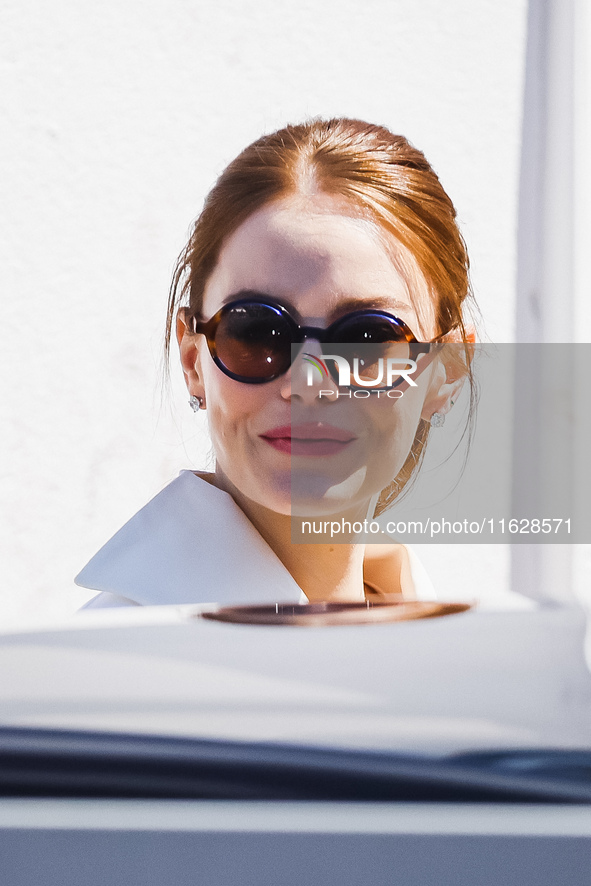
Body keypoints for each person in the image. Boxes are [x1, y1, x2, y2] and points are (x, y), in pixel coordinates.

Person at [76, 118, 474, 610]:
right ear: (193, 359)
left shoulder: (465, 659)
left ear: (445, 371)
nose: (308, 383)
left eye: (368, 337)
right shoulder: (109, 669)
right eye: (256, 331)